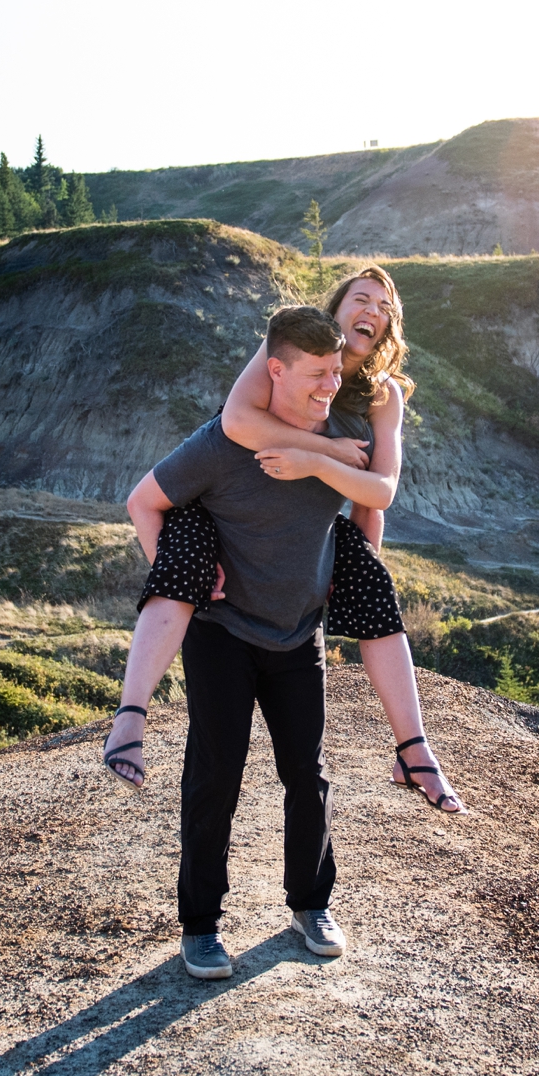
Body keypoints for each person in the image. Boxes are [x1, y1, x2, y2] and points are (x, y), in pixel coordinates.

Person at [103, 266, 464, 814]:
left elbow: (379, 495)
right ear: (337, 309)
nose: (374, 310)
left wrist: (352, 559)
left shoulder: (382, 396)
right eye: (362, 299)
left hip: (311, 528)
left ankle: (413, 752)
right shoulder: (291, 343)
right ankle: (131, 715)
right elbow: (238, 424)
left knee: (374, 589)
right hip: (226, 502)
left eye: (386, 306)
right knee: (181, 555)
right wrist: (326, 452)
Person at [123, 305, 375, 980]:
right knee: (216, 777)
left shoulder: (346, 434)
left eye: (336, 373)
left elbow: (372, 504)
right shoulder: (221, 443)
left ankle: (310, 905)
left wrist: (346, 586)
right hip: (223, 636)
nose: (330, 386)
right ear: (275, 370)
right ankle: (201, 926)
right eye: (317, 375)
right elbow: (142, 501)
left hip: (299, 634)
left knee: (308, 774)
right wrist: (188, 580)